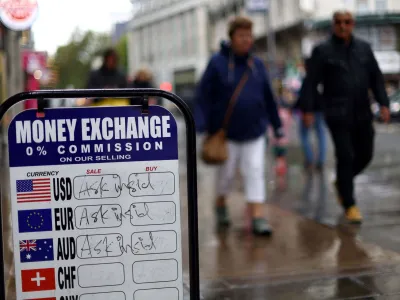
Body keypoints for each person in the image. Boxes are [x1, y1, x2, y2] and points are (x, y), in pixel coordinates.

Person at [195, 16, 283, 236]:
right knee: (225, 176)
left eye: (249, 35)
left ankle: (258, 217)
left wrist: (277, 125)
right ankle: (221, 203)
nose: (246, 40)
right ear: (232, 37)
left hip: (254, 130)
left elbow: (268, 97)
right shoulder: (217, 63)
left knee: (254, 171)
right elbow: (203, 96)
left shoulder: (257, 65)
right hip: (226, 134)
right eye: (241, 35)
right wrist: (201, 123)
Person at [301, 10, 390, 223]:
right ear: (333, 25)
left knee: (366, 154)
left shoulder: (364, 49)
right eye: (339, 22)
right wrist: (308, 110)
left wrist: (384, 103)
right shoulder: (322, 51)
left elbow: (376, 78)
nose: (343, 26)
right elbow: (311, 83)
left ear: (353, 24)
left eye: (347, 22)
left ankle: (342, 181)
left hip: (362, 112)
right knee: (346, 156)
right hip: (336, 113)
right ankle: (350, 204)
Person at [296, 57, 327, 172]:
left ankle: (310, 159)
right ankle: (320, 160)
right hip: (319, 111)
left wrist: (308, 111)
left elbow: (306, 96)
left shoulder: (309, 79)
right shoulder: (321, 79)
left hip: (310, 111)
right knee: (321, 135)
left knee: (304, 135)